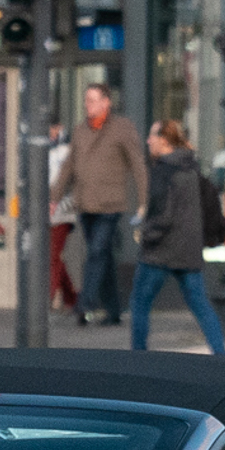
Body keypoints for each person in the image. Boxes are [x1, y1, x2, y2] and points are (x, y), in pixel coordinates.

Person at [129, 119, 225, 356]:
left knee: (140, 302)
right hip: (189, 249)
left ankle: (137, 356)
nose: (148, 140)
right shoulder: (191, 167)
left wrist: (146, 235)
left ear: (164, 141)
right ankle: (220, 354)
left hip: (160, 250)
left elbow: (164, 214)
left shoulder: (164, 170)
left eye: (152, 136)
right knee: (200, 304)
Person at [54, 83, 143, 326]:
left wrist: (144, 201)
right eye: (86, 101)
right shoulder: (81, 130)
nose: (88, 105)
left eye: (93, 100)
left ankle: (86, 303)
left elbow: (137, 165)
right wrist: (55, 197)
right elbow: (68, 167)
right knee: (103, 256)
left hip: (110, 204)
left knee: (96, 252)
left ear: (106, 102)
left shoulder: (122, 128)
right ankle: (114, 311)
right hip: (86, 203)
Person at [47, 120, 79, 313]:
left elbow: (71, 181)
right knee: (53, 254)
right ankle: (72, 297)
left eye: (51, 129)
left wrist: (65, 204)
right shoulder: (41, 148)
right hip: (44, 207)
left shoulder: (67, 150)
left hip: (62, 209)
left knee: (53, 254)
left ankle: (49, 297)